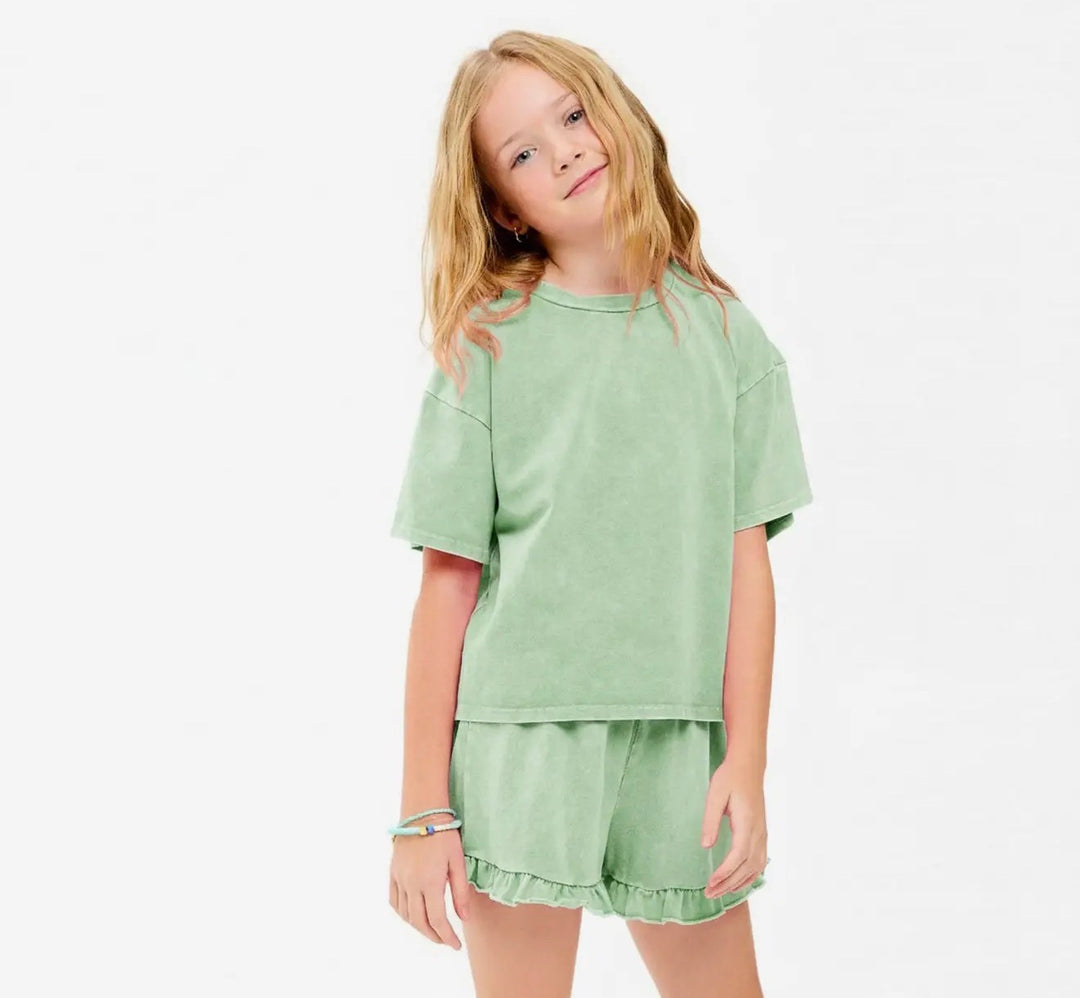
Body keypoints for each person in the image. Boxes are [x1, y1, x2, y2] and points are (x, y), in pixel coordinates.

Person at [386, 29, 813, 998]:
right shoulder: (486, 351)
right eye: (523, 152)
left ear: (613, 111)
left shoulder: (728, 339)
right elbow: (446, 586)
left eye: (573, 115)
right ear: (505, 206)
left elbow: (746, 565)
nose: (566, 150)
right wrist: (422, 808)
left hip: (682, 746)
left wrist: (746, 760)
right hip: (521, 746)